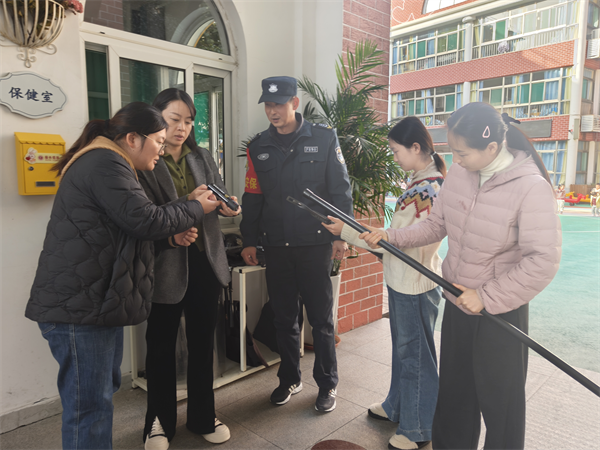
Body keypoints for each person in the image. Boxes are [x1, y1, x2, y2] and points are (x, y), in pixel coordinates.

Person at [359, 102, 561, 450]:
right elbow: (435, 225)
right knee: (455, 395)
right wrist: (391, 235)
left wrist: (486, 296)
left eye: (463, 153)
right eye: (453, 151)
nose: (456, 160)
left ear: (492, 147)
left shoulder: (531, 187)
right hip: (457, 300)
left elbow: (542, 260)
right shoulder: (460, 175)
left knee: (500, 404)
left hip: (500, 313)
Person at [25, 102, 222, 450]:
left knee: (97, 401)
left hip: (94, 302)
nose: (162, 149)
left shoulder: (110, 160)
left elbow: (130, 229)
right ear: (133, 138)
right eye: (158, 140)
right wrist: (195, 206)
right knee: (90, 410)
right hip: (82, 307)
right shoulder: (105, 162)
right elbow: (145, 220)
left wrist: (173, 232)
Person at [323, 116, 446, 450]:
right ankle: (398, 405)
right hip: (405, 280)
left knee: (415, 356)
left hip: (414, 284)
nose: (393, 157)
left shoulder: (428, 188)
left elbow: (398, 241)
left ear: (416, 147)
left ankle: (418, 427)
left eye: (395, 150)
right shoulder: (421, 181)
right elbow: (394, 238)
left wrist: (347, 232)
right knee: (405, 350)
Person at [239, 76, 353, 412]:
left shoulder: (324, 138)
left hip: (315, 245)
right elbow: (252, 197)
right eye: (268, 105)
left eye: (279, 104)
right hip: (277, 247)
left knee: (321, 321)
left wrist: (341, 236)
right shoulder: (258, 147)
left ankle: (327, 384)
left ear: (295, 103)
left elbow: (340, 191)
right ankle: (289, 378)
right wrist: (249, 240)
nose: (272, 111)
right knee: (284, 318)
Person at [137, 88, 240, 450]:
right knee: (160, 347)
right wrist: (191, 202)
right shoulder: (146, 157)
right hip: (165, 262)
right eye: (174, 119)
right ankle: (158, 423)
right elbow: (146, 215)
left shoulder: (202, 156)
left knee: (202, 345)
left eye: (188, 121)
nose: (182, 128)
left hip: (205, 260)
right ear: (157, 118)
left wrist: (227, 204)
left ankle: (202, 416)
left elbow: (217, 192)